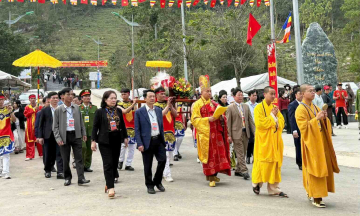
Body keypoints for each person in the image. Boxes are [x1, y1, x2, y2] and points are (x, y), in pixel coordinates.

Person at [295, 84, 340, 208]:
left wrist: (324, 119)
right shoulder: (300, 109)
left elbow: (321, 122)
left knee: (322, 166)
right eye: (310, 91)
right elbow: (303, 128)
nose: (313, 92)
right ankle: (317, 196)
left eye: (314, 90)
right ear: (303, 94)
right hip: (310, 144)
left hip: (320, 141)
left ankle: (312, 191)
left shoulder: (314, 106)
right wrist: (316, 119)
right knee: (315, 168)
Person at [191, 75, 231, 187]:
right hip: (206, 135)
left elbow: (222, 114)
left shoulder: (214, 103)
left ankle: (215, 175)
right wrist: (208, 119)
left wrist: (222, 117)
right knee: (209, 157)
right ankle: (210, 177)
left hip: (216, 133)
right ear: (202, 92)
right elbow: (194, 120)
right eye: (207, 91)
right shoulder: (197, 104)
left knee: (218, 154)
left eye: (210, 91)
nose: (209, 93)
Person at [91, 90, 128, 198]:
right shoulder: (100, 111)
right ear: (105, 99)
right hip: (104, 141)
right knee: (108, 164)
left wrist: (125, 137)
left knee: (115, 164)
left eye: (115, 98)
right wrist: (93, 141)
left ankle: (108, 183)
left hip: (116, 140)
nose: (113, 100)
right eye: (111, 98)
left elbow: (123, 124)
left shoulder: (119, 111)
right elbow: (95, 127)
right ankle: (111, 188)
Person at [252, 86, 287, 197]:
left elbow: (281, 121)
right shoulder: (258, 108)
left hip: (275, 140)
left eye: (274, 94)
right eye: (271, 94)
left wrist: (275, 120)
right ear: (265, 94)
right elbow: (260, 124)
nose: (273, 96)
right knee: (263, 163)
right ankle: (257, 183)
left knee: (275, 164)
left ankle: (273, 188)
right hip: (263, 141)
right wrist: (272, 116)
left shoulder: (275, 107)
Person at [53, 88, 89, 186]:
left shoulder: (76, 108)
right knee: (65, 159)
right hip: (64, 136)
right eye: (68, 94)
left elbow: (81, 122)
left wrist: (84, 133)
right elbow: (55, 127)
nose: (71, 96)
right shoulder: (58, 110)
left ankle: (81, 178)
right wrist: (58, 138)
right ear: (62, 96)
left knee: (79, 158)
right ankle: (67, 178)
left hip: (76, 135)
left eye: (72, 94)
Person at [135, 89, 167, 194]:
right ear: (145, 99)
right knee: (147, 165)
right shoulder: (139, 112)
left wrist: (163, 139)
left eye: (153, 96)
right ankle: (149, 185)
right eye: (150, 96)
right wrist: (139, 143)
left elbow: (161, 126)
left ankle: (157, 181)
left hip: (158, 139)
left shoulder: (158, 110)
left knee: (162, 160)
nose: (153, 98)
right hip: (146, 141)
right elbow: (137, 129)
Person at [226, 88, 255, 180]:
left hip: (245, 132)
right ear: (234, 96)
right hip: (235, 133)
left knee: (243, 152)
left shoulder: (246, 107)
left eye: (242, 95)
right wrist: (229, 135)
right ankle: (244, 170)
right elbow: (228, 123)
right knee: (240, 152)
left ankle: (238, 170)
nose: (241, 96)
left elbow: (250, 120)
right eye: (238, 95)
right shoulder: (230, 108)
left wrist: (255, 132)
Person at [38, 92, 64, 179]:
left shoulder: (62, 109)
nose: (55, 100)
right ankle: (47, 170)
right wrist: (40, 136)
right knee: (48, 153)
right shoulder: (45, 110)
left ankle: (60, 172)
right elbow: (40, 124)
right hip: (48, 135)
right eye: (53, 98)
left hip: (59, 135)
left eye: (57, 98)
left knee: (59, 153)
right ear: (49, 99)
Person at [154, 86, 178, 182]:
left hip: (171, 131)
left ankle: (163, 171)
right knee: (166, 154)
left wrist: (171, 106)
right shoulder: (155, 105)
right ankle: (167, 174)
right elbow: (160, 115)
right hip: (162, 132)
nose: (164, 95)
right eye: (161, 94)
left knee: (170, 154)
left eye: (164, 94)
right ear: (156, 95)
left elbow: (176, 115)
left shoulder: (169, 104)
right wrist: (168, 105)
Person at [117, 88, 137, 171]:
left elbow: (136, 112)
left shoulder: (133, 103)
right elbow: (124, 111)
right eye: (122, 94)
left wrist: (134, 104)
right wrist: (133, 104)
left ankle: (128, 164)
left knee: (132, 147)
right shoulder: (118, 103)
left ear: (128, 94)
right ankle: (120, 161)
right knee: (122, 146)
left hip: (132, 128)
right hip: (123, 128)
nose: (123, 95)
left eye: (125, 94)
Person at [79, 89, 97, 173]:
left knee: (89, 150)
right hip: (81, 133)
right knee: (83, 148)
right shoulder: (78, 108)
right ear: (82, 98)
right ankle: (80, 164)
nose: (87, 97)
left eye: (88, 96)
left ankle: (87, 165)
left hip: (91, 132)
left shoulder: (94, 108)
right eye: (85, 96)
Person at [0, 93, 16, 179]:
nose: (0, 102)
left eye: (2, 100)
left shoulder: (8, 109)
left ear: (4, 100)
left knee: (6, 154)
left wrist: (11, 112)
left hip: (6, 135)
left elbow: (14, 120)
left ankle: (6, 173)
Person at [24, 94, 43, 161]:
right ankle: (30, 155)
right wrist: (33, 110)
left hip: (38, 126)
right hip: (29, 127)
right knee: (30, 141)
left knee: (39, 140)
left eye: (34, 98)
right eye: (31, 98)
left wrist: (38, 109)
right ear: (29, 99)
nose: (33, 99)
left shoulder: (39, 106)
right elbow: (26, 115)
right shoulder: (27, 107)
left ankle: (42, 154)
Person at [288, 88, 303, 170]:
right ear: (295, 95)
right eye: (299, 93)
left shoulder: (305, 104)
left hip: (304, 128)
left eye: (302, 93)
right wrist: (294, 130)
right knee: (298, 146)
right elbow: (291, 119)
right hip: (297, 129)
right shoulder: (292, 105)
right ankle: (300, 163)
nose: (301, 95)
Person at [245, 90, 258, 164]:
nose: (255, 97)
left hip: (257, 125)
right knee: (250, 142)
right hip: (249, 125)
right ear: (249, 96)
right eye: (253, 95)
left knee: (256, 142)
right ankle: (248, 156)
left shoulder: (258, 105)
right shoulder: (246, 105)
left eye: (256, 95)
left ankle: (255, 157)